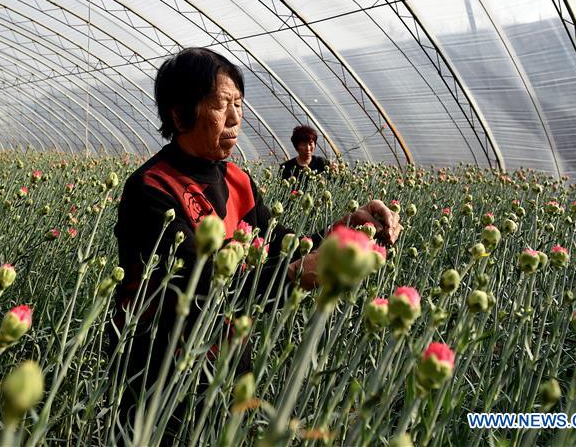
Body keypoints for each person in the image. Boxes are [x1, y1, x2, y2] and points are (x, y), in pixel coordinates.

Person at [110, 48, 401, 439]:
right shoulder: (151, 189)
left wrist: (346, 229)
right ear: (179, 114)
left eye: (239, 104)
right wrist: (294, 276)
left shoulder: (237, 181)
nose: (234, 119)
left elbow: (281, 244)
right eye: (220, 105)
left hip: (225, 363)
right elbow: (199, 287)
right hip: (159, 374)